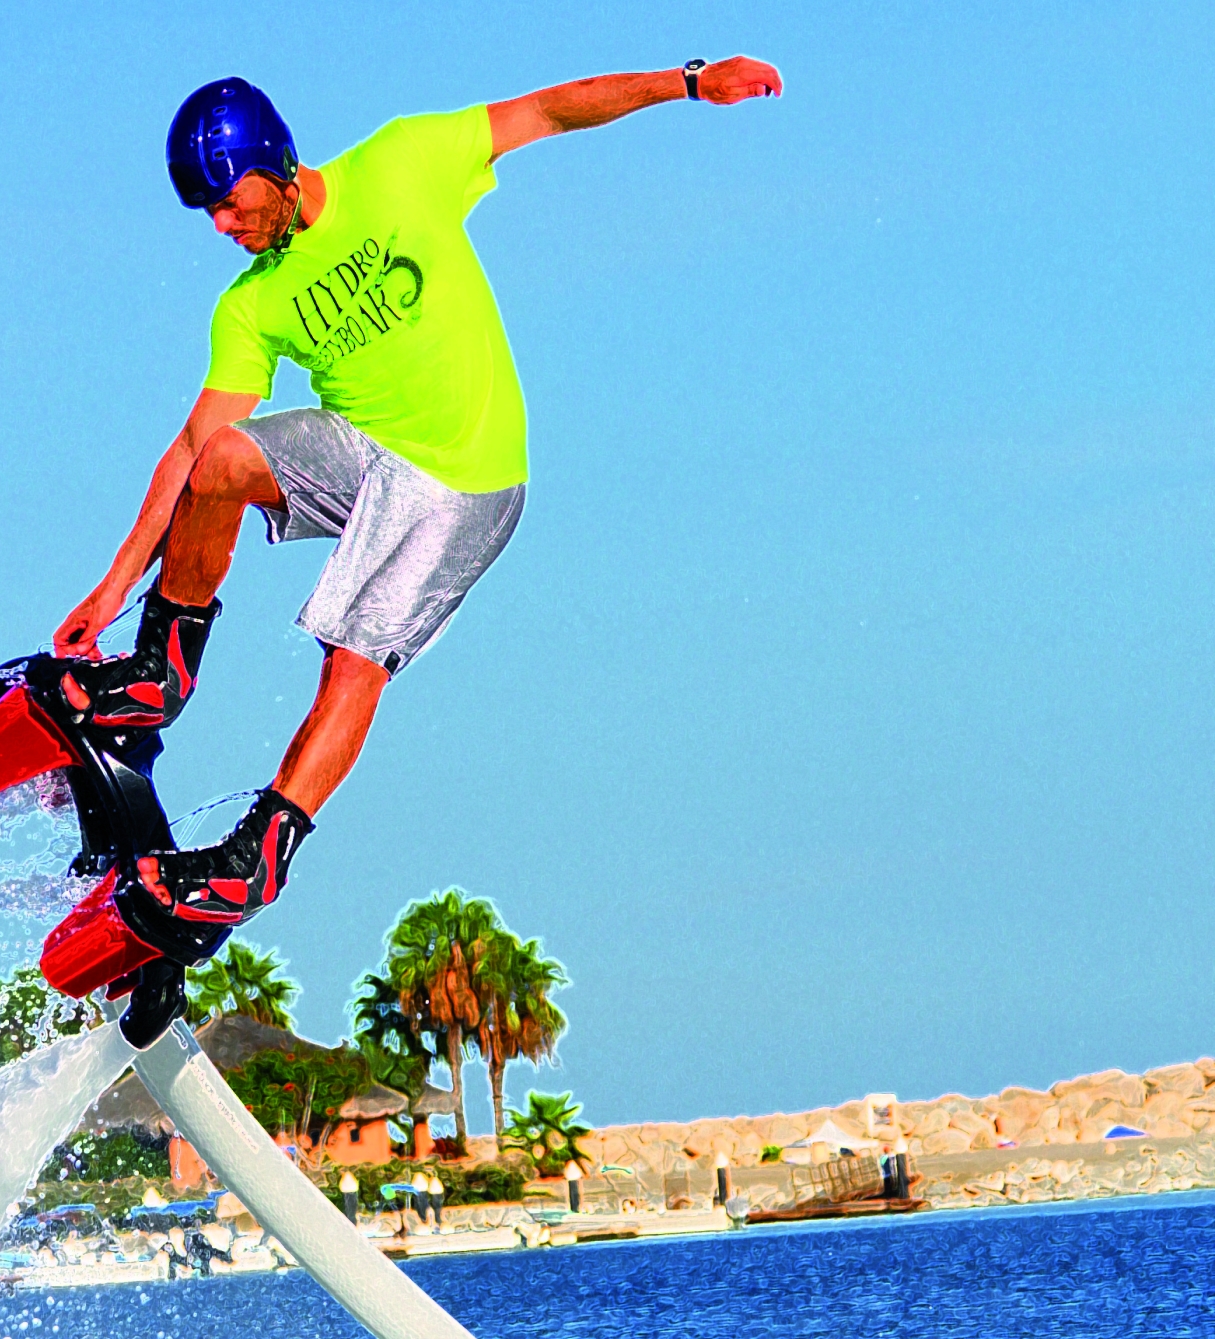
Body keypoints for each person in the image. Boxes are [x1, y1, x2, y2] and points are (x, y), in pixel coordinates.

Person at [51, 58, 781, 940]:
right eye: (206, 211)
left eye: (232, 201)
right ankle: (157, 671)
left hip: (462, 479)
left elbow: (549, 110)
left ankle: (253, 863)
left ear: (276, 161)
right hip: (363, 452)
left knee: (350, 658)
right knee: (221, 461)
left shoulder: (402, 161)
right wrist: (112, 587)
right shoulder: (249, 305)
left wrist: (691, 82)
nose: (222, 224)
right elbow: (188, 450)